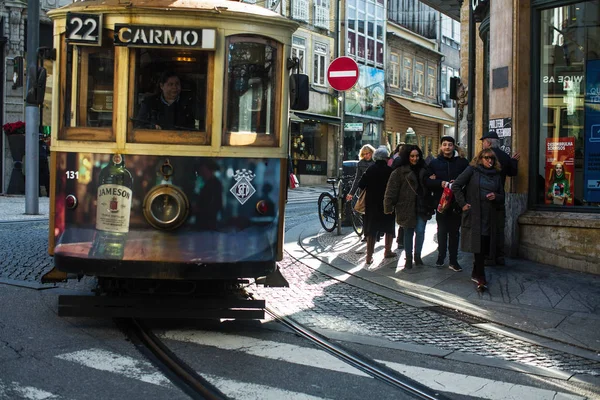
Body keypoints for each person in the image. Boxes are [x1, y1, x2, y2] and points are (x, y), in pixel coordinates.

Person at [451, 148, 505, 292]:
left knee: (485, 245)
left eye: (492, 159)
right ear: (480, 159)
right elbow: (456, 185)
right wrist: (463, 204)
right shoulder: (472, 170)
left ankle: (476, 271)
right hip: (475, 214)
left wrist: (496, 196)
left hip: (490, 215)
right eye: (487, 158)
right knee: (479, 245)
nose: (489, 161)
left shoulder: (496, 176)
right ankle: (481, 277)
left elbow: (502, 195)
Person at [384, 145, 434, 270]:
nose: (415, 158)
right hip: (406, 205)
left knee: (421, 231)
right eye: (412, 156)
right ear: (407, 156)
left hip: (422, 205)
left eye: (417, 156)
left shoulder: (424, 169)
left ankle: (417, 255)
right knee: (408, 232)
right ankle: (409, 258)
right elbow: (391, 190)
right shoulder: (399, 171)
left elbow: (429, 186)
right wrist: (388, 206)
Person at [427, 136, 469, 271]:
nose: (447, 147)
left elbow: (469, 180)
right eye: (444, 145)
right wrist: (440, 183)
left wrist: (458, 184)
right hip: (441, 203)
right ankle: (441, 256)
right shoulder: (434, 163)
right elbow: (427, 181)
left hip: (457, 203)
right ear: (440, 147)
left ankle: (453, 260)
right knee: (442, 231)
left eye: (449, 145)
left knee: (454, 232)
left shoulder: (462, 162)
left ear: (453, 146)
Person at [481, 131, 520, 265]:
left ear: (489, 142)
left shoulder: (484, 156)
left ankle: (487, 256)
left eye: (484, 142)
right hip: (499, 195)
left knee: (486, 227)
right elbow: (512, 172)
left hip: (485, 196)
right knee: (499, 228)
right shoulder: (504, 156)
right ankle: (499, 256)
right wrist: (513, 161)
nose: (483, 145)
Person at [358, 146, 396, 264]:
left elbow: (361, 184)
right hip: (387, 203)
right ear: (386, 158)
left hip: (372, 204)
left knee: (371, 230)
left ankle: (369, 257)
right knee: (389, 227)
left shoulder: (370, 169)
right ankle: (387, 251)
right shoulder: (390, 171)